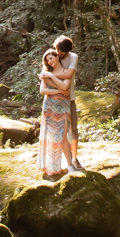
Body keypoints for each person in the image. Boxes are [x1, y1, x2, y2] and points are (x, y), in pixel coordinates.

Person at [40, 34, 82, 171]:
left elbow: (68, 75)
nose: (58, 53)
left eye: (60, 52)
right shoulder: (51, 58)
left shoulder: (72, 58)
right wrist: (45, 75)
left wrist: (49, 75)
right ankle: (61, 162)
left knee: (72, 130)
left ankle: (74, 159)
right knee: (54, 133)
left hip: (68, 99)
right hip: (53, 100)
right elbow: (43, 87)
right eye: (57, 50)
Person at [37, 48, 73, 178]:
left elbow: (65, 87)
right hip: (50, 106)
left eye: (51, 58)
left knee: (62, 136)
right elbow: (42, 90)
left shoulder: (66, 72)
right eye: (47, 60)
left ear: (57, 57)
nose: (50, 62)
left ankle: (70, 165)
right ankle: (51, 167)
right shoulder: (46, 72)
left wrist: (52, 77)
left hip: (63, 106)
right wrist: (58, 92)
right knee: (50, 136)